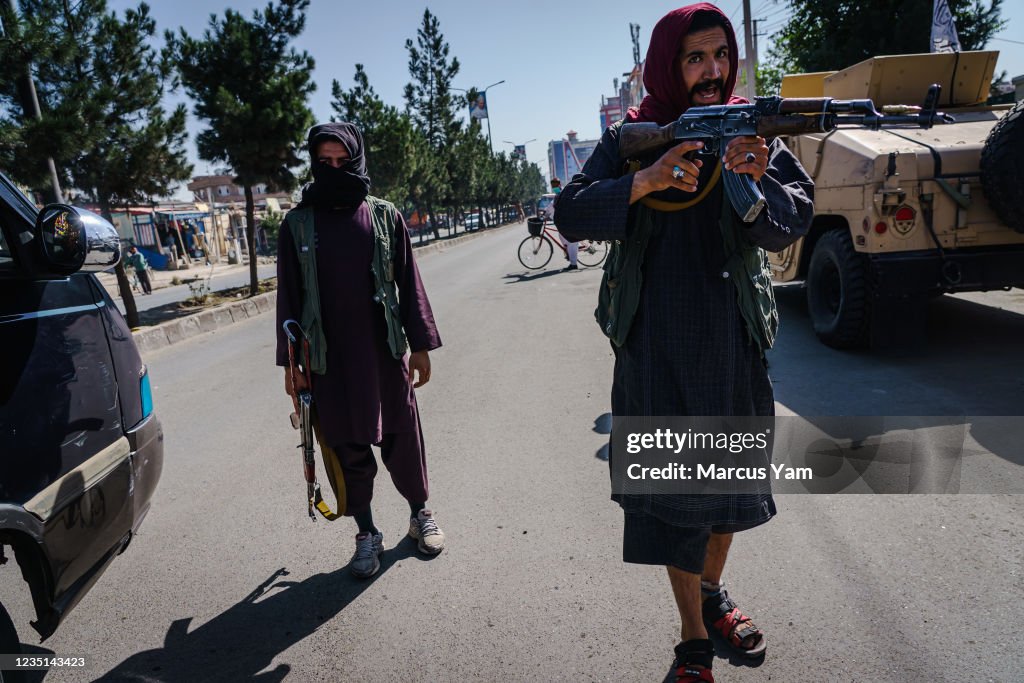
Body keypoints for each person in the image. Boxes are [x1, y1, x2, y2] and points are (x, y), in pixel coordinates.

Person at [554, 4, 813, 682]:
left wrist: (753, 184)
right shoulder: (634, 136)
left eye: (720, 56)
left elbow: (794, 217)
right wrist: (646, 178)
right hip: (656, 345)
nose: (712, 71)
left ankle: (708, 590)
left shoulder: (752, 129)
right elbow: (571, 211)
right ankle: (694, 636)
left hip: (732, 339)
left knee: (728, 493)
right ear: (670, 64)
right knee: (676, 502)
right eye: (696, 58)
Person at [276, 122, 445, 579]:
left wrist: (422, 345)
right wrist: (292, 369)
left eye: (342, 162)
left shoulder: (384, 215)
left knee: (403, 440)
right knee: (347, 449)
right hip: (327, 361)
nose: (334, 170)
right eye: (324, 162)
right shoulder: (296, 224)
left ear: (357, 161)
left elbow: (408, 284)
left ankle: (419, 514)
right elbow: (288, 301)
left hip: (384, 353)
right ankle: (367, 533)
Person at [547, 178, 578, 271]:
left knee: (571, 242)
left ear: (559, 184)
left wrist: (546, 213)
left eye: (555, 185)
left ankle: (574, 264)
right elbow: (552, 206)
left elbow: (552, 205)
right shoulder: (558, 194)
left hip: (570, 221)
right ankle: (569, 255)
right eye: (553, 186)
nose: (554, 187)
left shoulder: (563, 192)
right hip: (564, 221)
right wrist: (546, 213)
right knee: (563, 238)